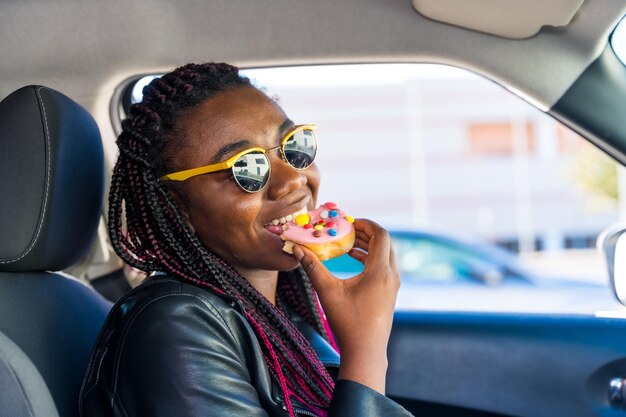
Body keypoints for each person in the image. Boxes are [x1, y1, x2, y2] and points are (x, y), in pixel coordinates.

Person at [80, 63, 413, 417]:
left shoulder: (279, 311)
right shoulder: (173, 325)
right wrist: (367, 348)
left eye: (292, 146)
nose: (292, 179)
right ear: (175, 206)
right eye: (246, 167)